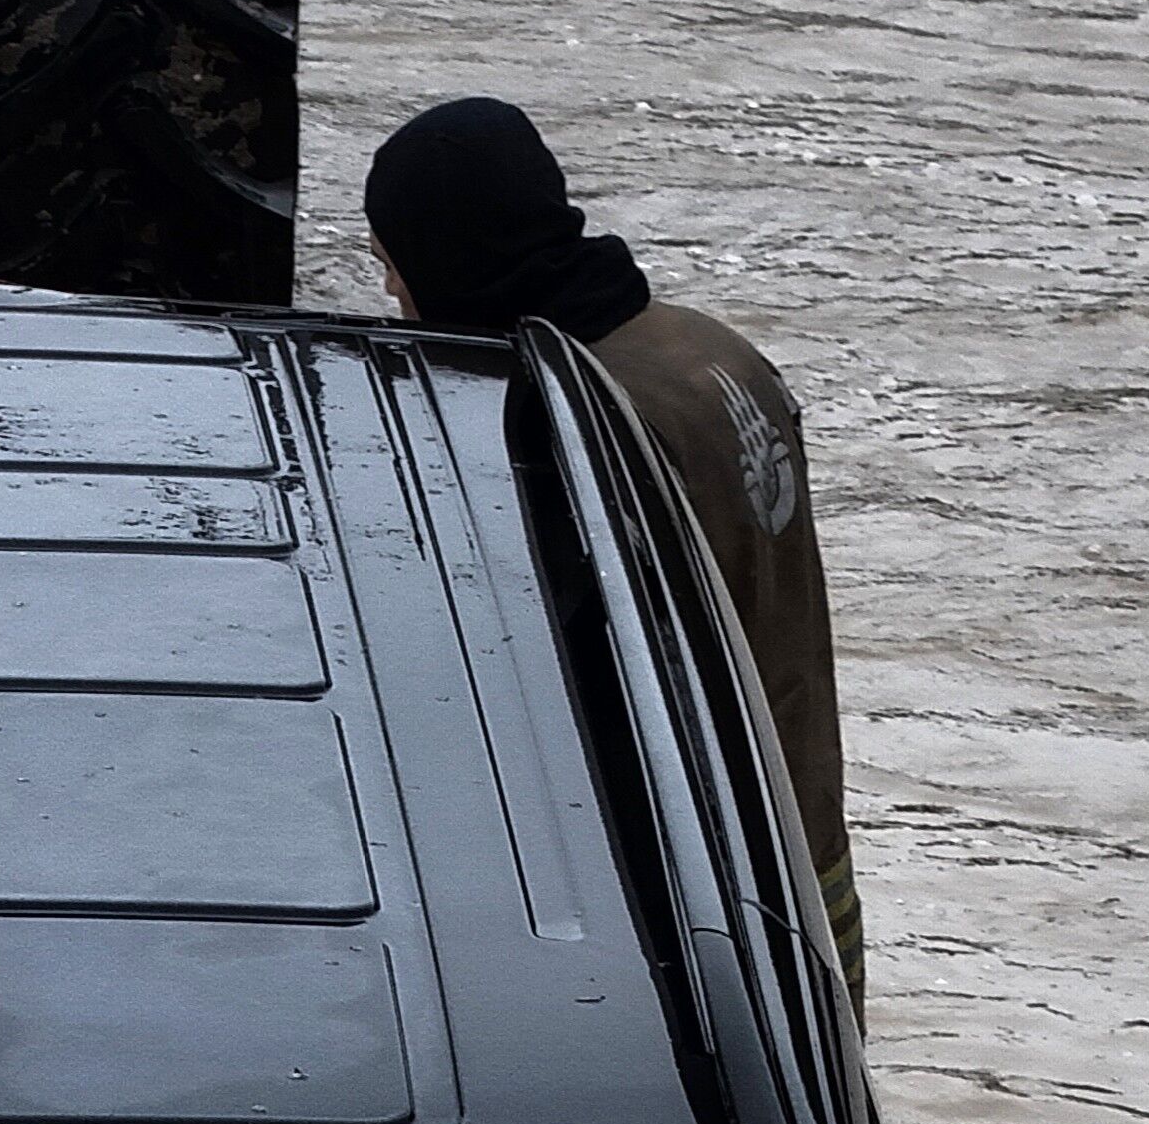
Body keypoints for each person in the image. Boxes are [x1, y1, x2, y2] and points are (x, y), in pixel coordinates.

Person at [361, 96, 866, 1004]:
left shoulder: (583, 421)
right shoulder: (708, 349)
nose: (396, 300)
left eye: (395, 272)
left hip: (701, 904)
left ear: (452, 254)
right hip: (803, 856)